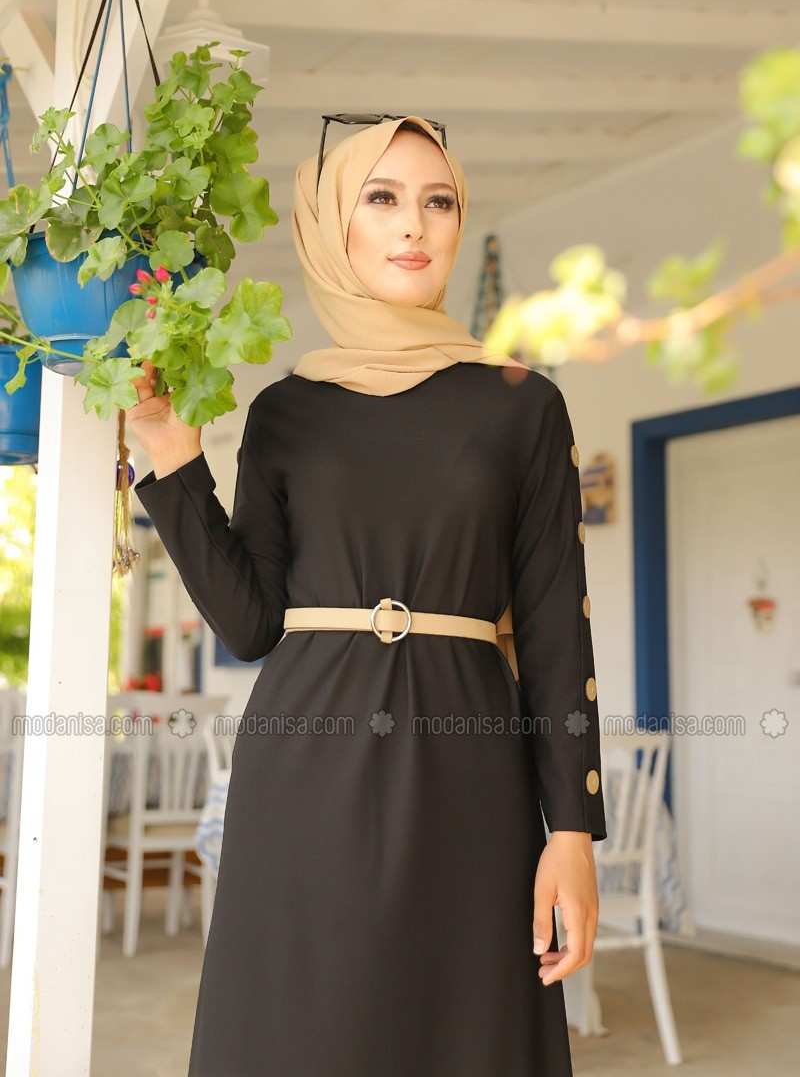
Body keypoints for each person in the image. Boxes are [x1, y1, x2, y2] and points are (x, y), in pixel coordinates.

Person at [129, 113, 607, 1077]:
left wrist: (573, 831)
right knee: (308, 1029)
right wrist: (176, 461)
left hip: (470, 764)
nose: (413, 225)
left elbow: (557, 628)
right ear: (331, 225)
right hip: (302, 761)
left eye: (439, 201)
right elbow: (250, 622)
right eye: (381, 199)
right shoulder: (286, 411)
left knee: (462, 1026)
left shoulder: (521, 403)